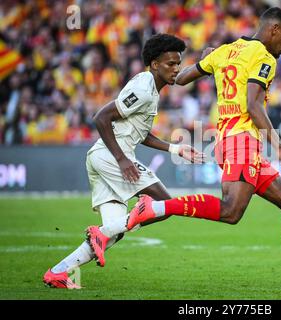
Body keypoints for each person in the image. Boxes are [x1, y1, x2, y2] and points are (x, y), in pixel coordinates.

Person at [88, 7, 281, 291]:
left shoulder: (225, 51)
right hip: (241, 141)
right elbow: (253, 105)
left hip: (230, 140)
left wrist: (206, 59)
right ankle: (155, 207)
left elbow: (179, 78)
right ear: (273, 30)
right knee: (231, 211)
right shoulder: (263, 57)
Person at [43, 34, 204, 289]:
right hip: (110, 157)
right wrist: (122, 160)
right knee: (164, 203)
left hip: (105, 157)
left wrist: (175, 148)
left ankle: (59, 272)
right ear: (153, 64)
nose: (176, 69)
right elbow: (101, 117)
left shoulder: (151, 90)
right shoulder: (143, 88)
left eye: (178, 63)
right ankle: (101, 233)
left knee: (115, 231)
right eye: (170, 63)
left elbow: (140, 134)